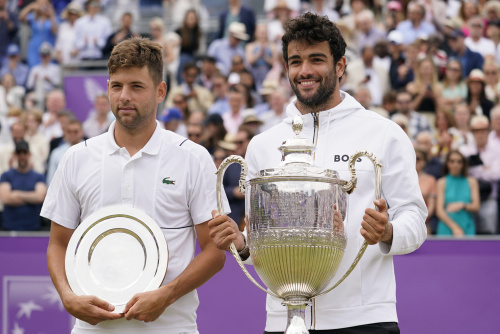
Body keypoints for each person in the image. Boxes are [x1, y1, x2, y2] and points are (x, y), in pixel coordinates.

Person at [208, 13, 427, 333]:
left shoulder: (384, 134)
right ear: (286, 69)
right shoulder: (263, 144)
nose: (305, 70)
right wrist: (241, 243)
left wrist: (388, 231)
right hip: (283, 319)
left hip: (363, 319)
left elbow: (415, 220)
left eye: (316, 59)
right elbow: (262, 243)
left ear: (340, 66)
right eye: (295, 61)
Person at [41, 37, 227, 332]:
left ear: (160, 91)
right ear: (108, 89)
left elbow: (215, 252)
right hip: (93, 328)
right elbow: (58, 243)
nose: (124, 95)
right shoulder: (76, 158)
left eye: (136, 87)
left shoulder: (194, 158)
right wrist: (67, 296)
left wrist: (167, 295)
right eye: (117, 86)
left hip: (172, 327)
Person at [0, 140, 46, 231]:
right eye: (19, 153)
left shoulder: (38, 176)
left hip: (33, 228)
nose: (22, 156)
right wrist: (31, 197)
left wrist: (16, 194)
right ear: (15, 155)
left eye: (24, 153)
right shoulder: (6, 175)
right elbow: (6, 198)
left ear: (29, 154)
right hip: (9, 228)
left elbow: (40, 197)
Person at [436, 150, 480, 236]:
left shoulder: (472, 181)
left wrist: (462, 205)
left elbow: (476, 206)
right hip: (446, 227)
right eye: (452, 161)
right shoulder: (441, 182)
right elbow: (439, 211)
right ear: (447, 163)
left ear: (463, 164)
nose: (455, 165)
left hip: (467, 226)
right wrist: (454, 227)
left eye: (459, 162)